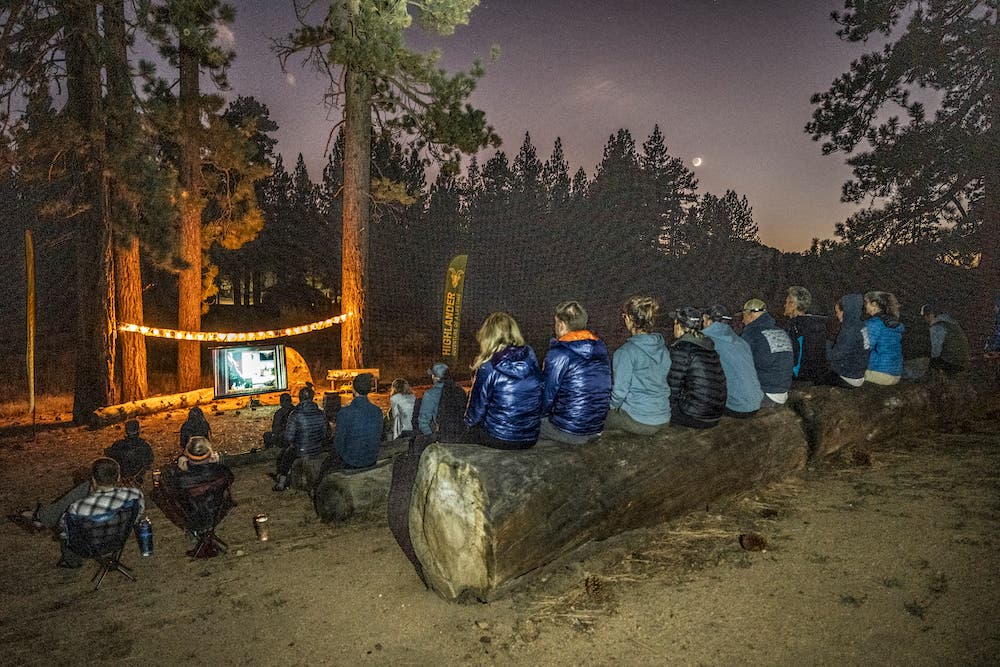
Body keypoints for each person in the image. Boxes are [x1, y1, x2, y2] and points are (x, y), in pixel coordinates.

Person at [464, 312, 544, 449]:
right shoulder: (531, 358)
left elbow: (476, 412)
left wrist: (466, 426)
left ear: (488, 336)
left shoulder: (488, 367)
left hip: (500, 437)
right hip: (530, 437)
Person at [538, 300, 612, 444]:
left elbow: (547, 395)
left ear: (562, 324)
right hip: (596, 428)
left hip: (569, 430)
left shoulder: (559, 354)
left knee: (522, 424)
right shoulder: (601, 349)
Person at [56, 458, 145, 568]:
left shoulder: (77, 508)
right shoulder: (134, 495)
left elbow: (65, 532)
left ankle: (71, 561)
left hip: (88, 549)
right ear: (118, 477)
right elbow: (137, 515)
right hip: (118, 541)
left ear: (93, 480)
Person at [605, 295, 672, 435]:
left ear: (630, 319)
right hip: (664, 417)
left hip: (639, 420)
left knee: (595, 420)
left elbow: (619, 392)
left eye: (624, 316)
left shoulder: (625, 352)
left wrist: (610, 408)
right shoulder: (663, 348)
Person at [668, 307, 726, 429]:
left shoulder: (682, 349)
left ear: (679, 326)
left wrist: (668, 413)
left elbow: (672, 387)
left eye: (674, 323)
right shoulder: (708, 346)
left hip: (696, 416)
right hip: (715, 413)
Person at [702, 304, 763, 417]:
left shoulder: (707, 342)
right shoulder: (740, 341)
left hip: (736, 406)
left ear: (708, 320)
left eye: (704, 319)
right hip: (755, 402)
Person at [321, 372, 383, 474]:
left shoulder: (345, 413)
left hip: (351, 462)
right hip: (371, 460)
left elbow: (338, 443)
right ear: (369, 390)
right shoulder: (377, 411)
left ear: (353, 390)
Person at [273, 385, 331, 492]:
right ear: (312, 398)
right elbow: (326, 434)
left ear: (299, 398)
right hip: (318, 448)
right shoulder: (321, 413)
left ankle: (282, 482)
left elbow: (288, 437)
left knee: (286, 456)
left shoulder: (295, 414)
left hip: (301, 450)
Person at [740, 298, 795, 406]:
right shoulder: (782, 332)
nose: (743, 321)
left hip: (764, 392)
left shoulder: (751, 334)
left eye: (744, 316)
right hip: (783, 390)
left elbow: (740, 364)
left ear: (750, 315)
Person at [817, 293, 869, 388]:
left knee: (817, 375)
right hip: (859, 373)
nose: (837, 316)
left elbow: (833, 356)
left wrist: (826, 342)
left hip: (849, 376)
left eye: (838, 312)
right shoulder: (861, 325)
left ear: (846, 311)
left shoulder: (849, 331)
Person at [784, 286, 829, 384]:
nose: (784, 305)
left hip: (799, 377)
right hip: (817, 375)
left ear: (793, 305)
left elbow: (790, 356)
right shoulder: (817, 323)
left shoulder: (793, 326)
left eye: (787, 302)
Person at [416, 362, 468, 443]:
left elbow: (423, 422)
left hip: (443, 436)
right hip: (461, 435)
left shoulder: (430, 394)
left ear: (435, 377)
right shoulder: (460, 390)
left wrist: (432, 438)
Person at [863, 290, 905, 385]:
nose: (865, 305)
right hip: (896, 373)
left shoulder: (874, 323)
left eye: (866, 303)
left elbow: (865, 347)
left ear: (874, 304)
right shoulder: (893, 323)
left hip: (879, 373)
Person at [919, 303, 971, 374]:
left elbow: (936, 352)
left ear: (930, 315)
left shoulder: (936, 326)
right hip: (964, 361)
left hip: (953, 363)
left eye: (925, 316)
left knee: (924, 364)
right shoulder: (949, 321)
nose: (925, 319)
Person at [103, 419, 154, 485]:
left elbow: (109, 457)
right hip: (137, 478)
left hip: (121, 478)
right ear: (138, 431)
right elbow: (150, 460)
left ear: (126, 432)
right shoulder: (145, 446)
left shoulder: (117, 445)